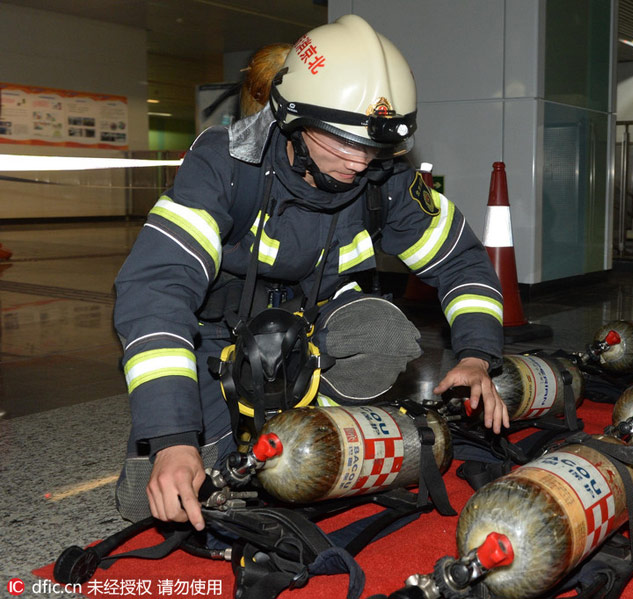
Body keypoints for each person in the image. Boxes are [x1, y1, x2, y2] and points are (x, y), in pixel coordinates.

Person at [113, 14, 509, 531]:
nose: (361, 162)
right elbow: (154, 288)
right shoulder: (224, 164)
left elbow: (462, 260)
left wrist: (478, 355)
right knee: (157, 503)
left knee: (381, 330)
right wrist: (170, 438)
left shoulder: (386, 180)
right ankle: (225, 434)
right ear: (293, 119)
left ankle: (318, 427)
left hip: (316, 331)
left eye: (375, 146)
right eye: (345, 142)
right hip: (216, 341)